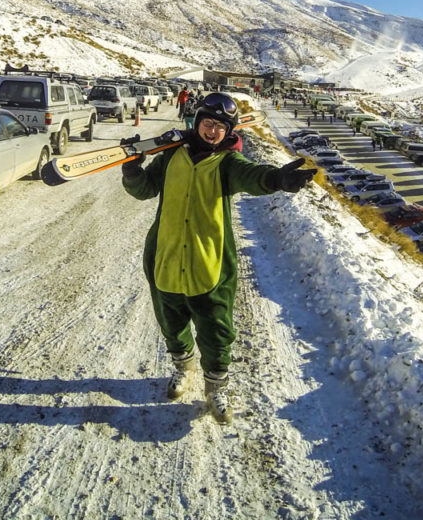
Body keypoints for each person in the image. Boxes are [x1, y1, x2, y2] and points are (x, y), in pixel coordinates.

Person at [121, 92, 316, 423]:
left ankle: (215, 386)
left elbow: (254, 175)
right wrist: (132, 171)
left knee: (215, 328)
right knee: (172, 322)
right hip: (165, 257)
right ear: (196, 123)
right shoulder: (170, 157)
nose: (212, 132)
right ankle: (184, 368)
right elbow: (144, 190)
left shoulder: (228, 163)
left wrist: (279, 179)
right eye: (207, 124)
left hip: (209, 263)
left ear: (229, 132)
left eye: (220, 127)